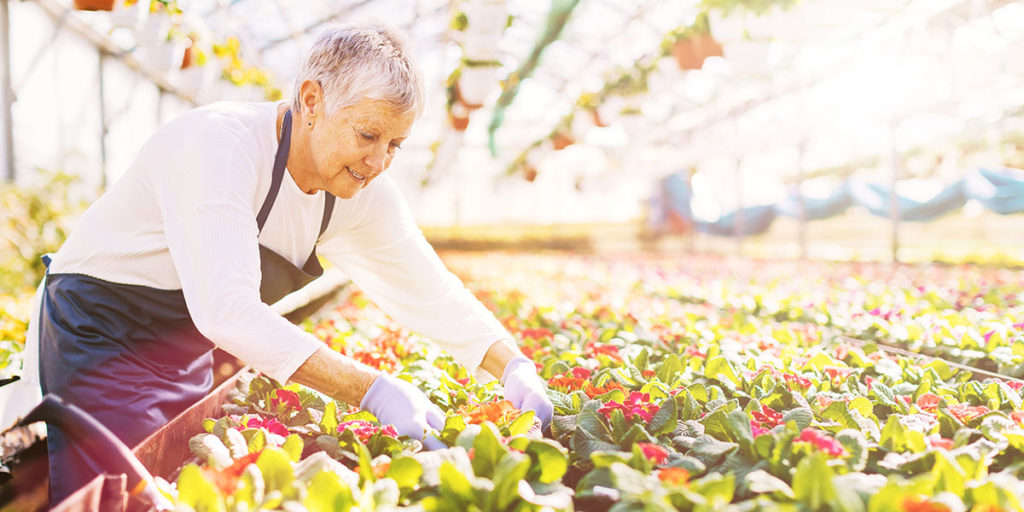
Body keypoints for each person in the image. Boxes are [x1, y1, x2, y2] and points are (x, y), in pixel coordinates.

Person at [22, 22, 553, 504]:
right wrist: (371, 389)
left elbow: (430, 290)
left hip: (180, 350)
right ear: (311, 100)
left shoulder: (361, 188)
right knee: (121, 496)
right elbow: (227, 311)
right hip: (98, 333)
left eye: (396, 143)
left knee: (173, 481)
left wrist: (512, 365)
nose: (378, 162)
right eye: (368, 135)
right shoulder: (218, 147)